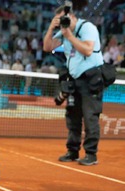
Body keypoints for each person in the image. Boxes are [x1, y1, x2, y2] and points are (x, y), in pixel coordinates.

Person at [43, 2, 105, 165]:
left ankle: (91, 154)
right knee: (73, 116)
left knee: (90, 116)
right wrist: (51, 27)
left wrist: (69, 35)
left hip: (91, 78)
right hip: (75, 79)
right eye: (59, 19)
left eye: (64, 18)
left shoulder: (87, 28)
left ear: (72, 16)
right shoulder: (64, 32)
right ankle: (73, 151)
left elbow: (87, 50)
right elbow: (47, 47)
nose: (62, 22)